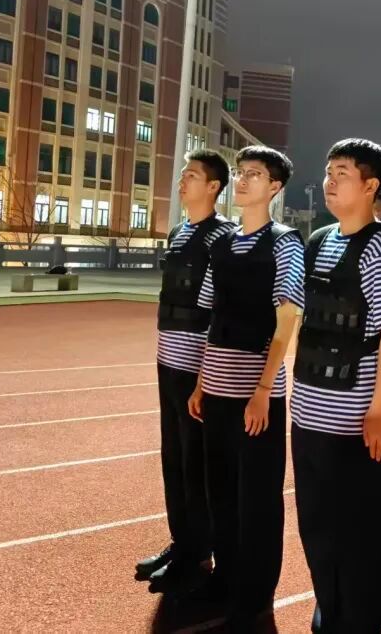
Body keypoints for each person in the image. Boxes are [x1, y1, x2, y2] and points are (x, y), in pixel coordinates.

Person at [290, 139, 381, 634]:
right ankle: (330, 606)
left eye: (342, 173)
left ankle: (360, 620)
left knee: (358, 529)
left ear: (370, 185)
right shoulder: (320, 240)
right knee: (316, 523)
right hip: (309, 411)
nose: (330, 181)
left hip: (357, 418)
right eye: (328, 171)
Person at [187, 145, 304, 626]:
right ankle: (227, 576)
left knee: (256, 496)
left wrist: (263, 390)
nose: (242, 180)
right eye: (240, 173)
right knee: (220, 488)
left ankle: (255, 593)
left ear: (275, 187)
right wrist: (200, 382)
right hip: (215, 385)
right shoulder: (221, 244)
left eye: (253, 174)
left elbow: (287, 318)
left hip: (257, 393)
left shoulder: (284, 242)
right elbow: (213, 316)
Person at [136, 150, 233, 594]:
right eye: (183, 174)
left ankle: (199, 552)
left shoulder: (223, 237)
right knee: (172, 457)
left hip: (197, 367)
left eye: (191, 175)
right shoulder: (178, 232)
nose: (182, 180)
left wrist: (205, 376)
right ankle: (182, 542)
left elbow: (219, 309)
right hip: (167, 362)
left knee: (197, 464)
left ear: (213, 186)